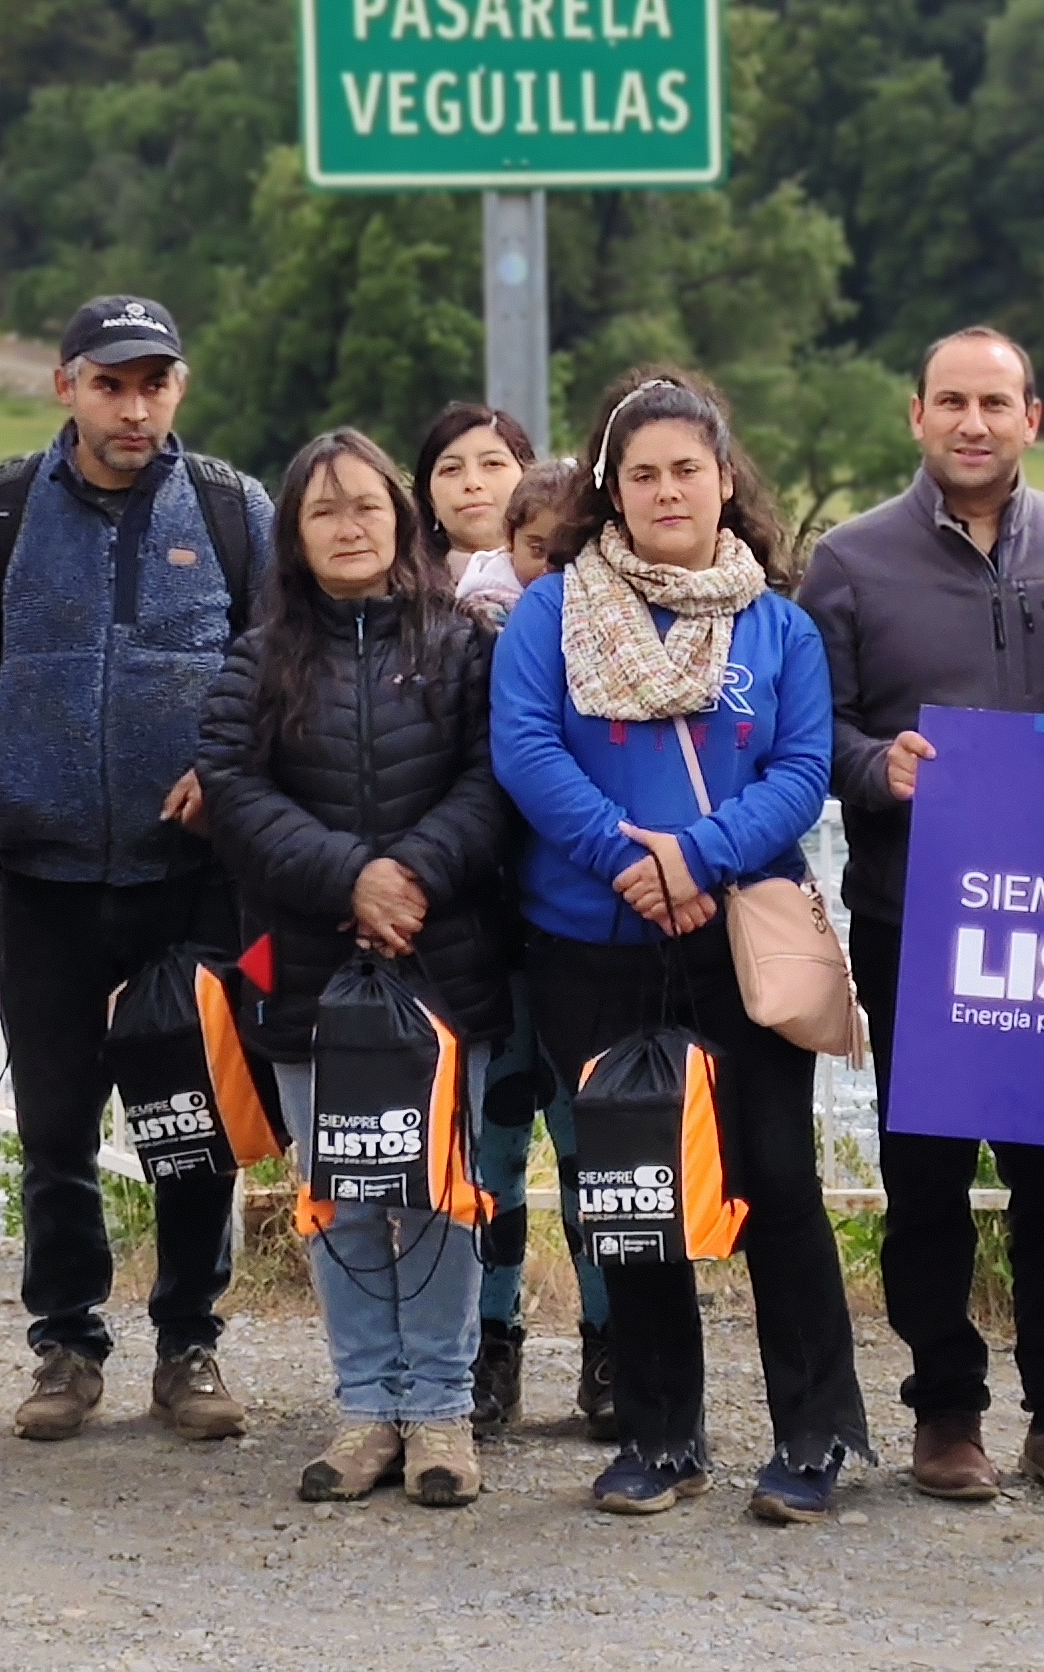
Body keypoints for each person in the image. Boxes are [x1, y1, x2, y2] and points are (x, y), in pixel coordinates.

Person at [491, 370, 870, 1522]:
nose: (666, 491)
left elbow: (803, 772)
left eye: (686, 471)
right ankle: (661, 1435)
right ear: (612, 489)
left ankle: (815, 1437)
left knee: (778, 1187)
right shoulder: (549, 614)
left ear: (723, 481)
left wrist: (694, 859)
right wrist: (624, 858)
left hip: (732, 943)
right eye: (642, 473)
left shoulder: (779, 626)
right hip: (589, 939)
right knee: (629, 1190)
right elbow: (523, 748)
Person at [797, 326, 1044, 1503]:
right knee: (923, 1175)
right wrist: (880, 765)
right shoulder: (848, 560)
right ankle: (944, 1411)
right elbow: (811, 731)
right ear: (915, 416)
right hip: (915, 914)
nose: (972, 421)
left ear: (1033, 415)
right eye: (950, 400)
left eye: (995, 400)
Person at [0, 294, 275, 1444]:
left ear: (177, 388)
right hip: (41, 873)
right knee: (53, 1127)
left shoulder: (235, 511)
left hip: (190, 875)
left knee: (190, 1120)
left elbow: (277, 664)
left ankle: (189, 1343)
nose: (132, 409)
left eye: (154, 384)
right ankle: (66, 1344)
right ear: (65, 385)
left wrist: (224, 770)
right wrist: (2, 768)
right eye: (109, 384)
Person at [196, 430, 512, 1507]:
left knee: (436, 1193)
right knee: (339, 1188)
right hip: (307, 969)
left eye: (366, 506)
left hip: (443, 961)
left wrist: (412, 876)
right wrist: (351, 881)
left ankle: (440, 1413)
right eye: (323, 510)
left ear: (402, 517)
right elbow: (232, 792)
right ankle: (364, 1406)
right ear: (294, 529)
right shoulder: (259, 655)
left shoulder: (466, 645)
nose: (348, 526)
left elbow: (493, 780)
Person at [444, 446, 613, 1431]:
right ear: (506, 545)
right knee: (494, 1157)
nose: (553, 567)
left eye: (575, 549)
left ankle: (606, 1347)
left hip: (581, 937)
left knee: (591, 1157)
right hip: (490, 940)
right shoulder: (469, 640)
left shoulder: (618, 646)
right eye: (537, 548)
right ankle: (491, 1347)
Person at [417, 402, 532, 604]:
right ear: (429, 498)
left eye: (492, 464)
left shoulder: (568, 579)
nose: (472, 483)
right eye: (451, 469)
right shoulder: (407, 595)